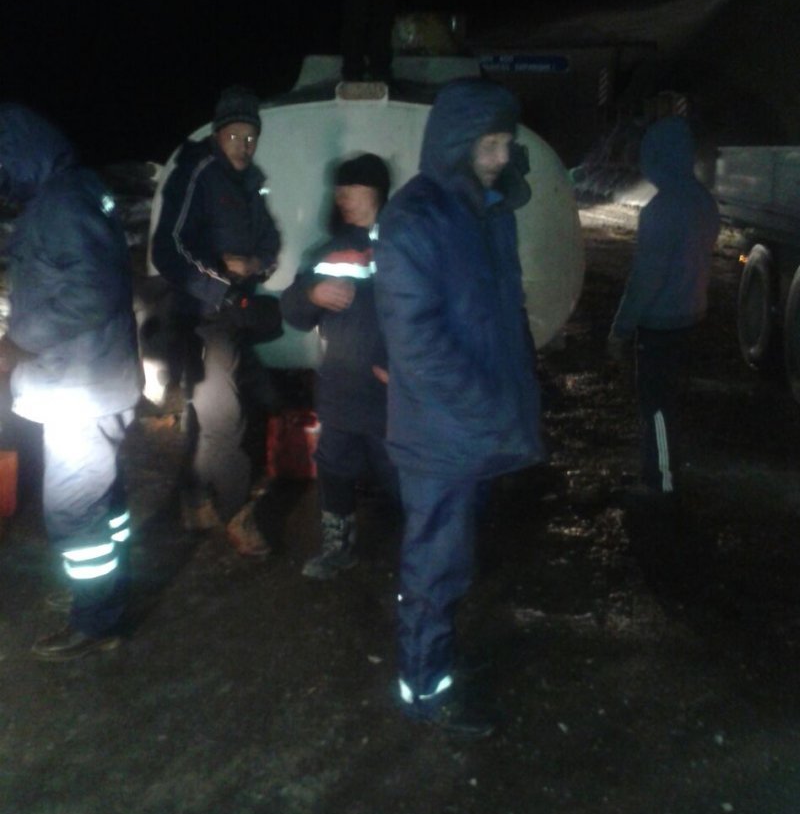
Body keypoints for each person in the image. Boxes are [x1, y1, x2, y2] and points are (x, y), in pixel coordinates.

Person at [375, 79, 545, 736]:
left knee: (455, 560)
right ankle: (425, 691)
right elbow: (418, 344)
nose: (501, 157)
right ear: (457, 143)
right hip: (440, 435)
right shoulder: (416, 218)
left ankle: (435, 667)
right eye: (490, 144)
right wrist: (490, 406)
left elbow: (505, 314)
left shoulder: (488, 211)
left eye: (506, 143)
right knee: (434, 567)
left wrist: (519, 390)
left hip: (474, 429)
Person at [0, 104, 142, 660]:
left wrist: (18, 341)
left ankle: (95, 621)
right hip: (93, 377)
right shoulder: (73, 193)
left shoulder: (62, 201)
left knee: (73, 509)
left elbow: (93, 289)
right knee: (103, 500)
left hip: (79, 386)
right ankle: (109, 596)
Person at [151, 86, 283, 555]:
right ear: (218, 133)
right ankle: (236, 512)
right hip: (201, 316)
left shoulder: (251, 182)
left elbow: (270, 241)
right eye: (235, 136)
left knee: (219, 412)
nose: (244, 146)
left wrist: (256, 264)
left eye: (251, 137)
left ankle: (194, 500)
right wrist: (222, 279)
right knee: (224, 419)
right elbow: (168, 249)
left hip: (233, 315)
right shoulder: (199, 172)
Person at [280, 153, 398, 579]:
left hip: (392, 393)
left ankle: (419, 553)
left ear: (377, 192)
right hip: (341, 390)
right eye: (340, 189)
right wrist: (311, 295)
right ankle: (338, 546)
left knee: (401, 474)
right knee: (334, 468)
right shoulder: (327, 251)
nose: (342, 197)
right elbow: (293, 312)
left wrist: (408, 370)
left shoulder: (405, 244)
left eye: (353, 188)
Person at [607, 115, 720, 496]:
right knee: (672, 402)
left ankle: (661, 482)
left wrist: (621, 329)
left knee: (655, 407)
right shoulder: (703, 201)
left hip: (660, 325)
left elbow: (644, 281)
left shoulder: (661, 209)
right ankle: (665, 471)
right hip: (691, 316)